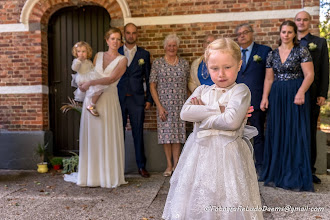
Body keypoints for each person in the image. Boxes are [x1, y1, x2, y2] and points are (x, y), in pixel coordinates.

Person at [162, 38, 263, 220]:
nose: (221, 74)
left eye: (227, 67)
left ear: (239, 65)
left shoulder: (241, 90)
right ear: (207, 67)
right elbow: (185, 113)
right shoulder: (201, 90)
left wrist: (201, 119)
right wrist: (220, 109)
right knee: (200, 195)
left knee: (227, 197)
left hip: (228, 153)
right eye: (214, 68)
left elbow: (231, 122)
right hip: (199, 153)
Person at [260, 20, 314, 191]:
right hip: (277, 95)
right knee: (278, 131)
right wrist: (264, 98)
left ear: (294, 34)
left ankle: (294, 174)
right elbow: (269, 78)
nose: (286, 35)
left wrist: (300, 92)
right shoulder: (272, 54)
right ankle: (277, 173)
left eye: (290, 32)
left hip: (295, 94)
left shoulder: (301, 51)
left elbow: (310, 74)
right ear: (280, 33)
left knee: (295, 132)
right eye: (284, 32)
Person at [75, 27, 128, 188]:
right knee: (93, 137)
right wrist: (82, 82)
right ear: (107, 40)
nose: (115, 42)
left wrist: (90, 83)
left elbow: (111, 78)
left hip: (109, 101)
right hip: (92, 100)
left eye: (118, 39)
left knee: (107, 135)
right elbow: (87, 70)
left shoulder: (122, 60)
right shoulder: (97, 55)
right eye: (113, 38)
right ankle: (91, 176)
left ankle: (108, 176)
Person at [295, 11, 329, 184]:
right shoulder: (289, 41)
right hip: (292, 94)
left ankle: (310, 170)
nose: (301, 22)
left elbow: (324, 69)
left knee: (309, 132)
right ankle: (293, 168)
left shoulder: (319, 42)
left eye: (305, 19)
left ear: (310, 22)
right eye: (298, 19)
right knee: (293, 131)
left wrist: (323, 93)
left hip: (313, 94)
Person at [150, 34, 189, 177]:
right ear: (165, 47)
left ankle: (177, 165)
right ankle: (169, 165)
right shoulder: (158, 63)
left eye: (174, 45)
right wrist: (159, 106)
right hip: (164, 104)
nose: (171, 48)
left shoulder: (184, 64)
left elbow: (187, 85)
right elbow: (152, 86)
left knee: (177, 135)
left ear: (177, 47)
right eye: (169, 45)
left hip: (180, 103)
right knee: (166, 136)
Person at [235, 23, 272, 175]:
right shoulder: (234, 53)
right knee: (237, 134)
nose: (242, 35)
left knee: (258, 134)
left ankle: (260, 167)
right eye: (239, 34)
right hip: (237, 102)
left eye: (245, 32)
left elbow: (269, 77)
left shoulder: (263, 51)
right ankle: (239, 168)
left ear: (252, 33)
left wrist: (265, 98)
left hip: (256, 100)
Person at [118, 23, 153, 178]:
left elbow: (149, 76)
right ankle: (117, 167)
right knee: (117, 134)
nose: (131, 35)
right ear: (123, 34)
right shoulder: (116, 52)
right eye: (128, 33)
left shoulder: (144, 54)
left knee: (138, 133)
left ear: (136, 34)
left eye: (133, 33)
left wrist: (149, 99)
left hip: (137, 100)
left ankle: (141, 166)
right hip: (117, 99)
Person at [71, 41, 108, 117]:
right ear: (76, 53)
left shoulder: (89, 61)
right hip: (83, 79)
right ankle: (91, 106)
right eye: (79, 51)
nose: (81, 54)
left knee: (99, 88)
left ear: (88, 52)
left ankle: (92, 104)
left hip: (90, 77)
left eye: (84, 51)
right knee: (97, 88)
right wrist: (78, 61)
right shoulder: (77, 61)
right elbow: (74, 68)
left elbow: (92, 69)